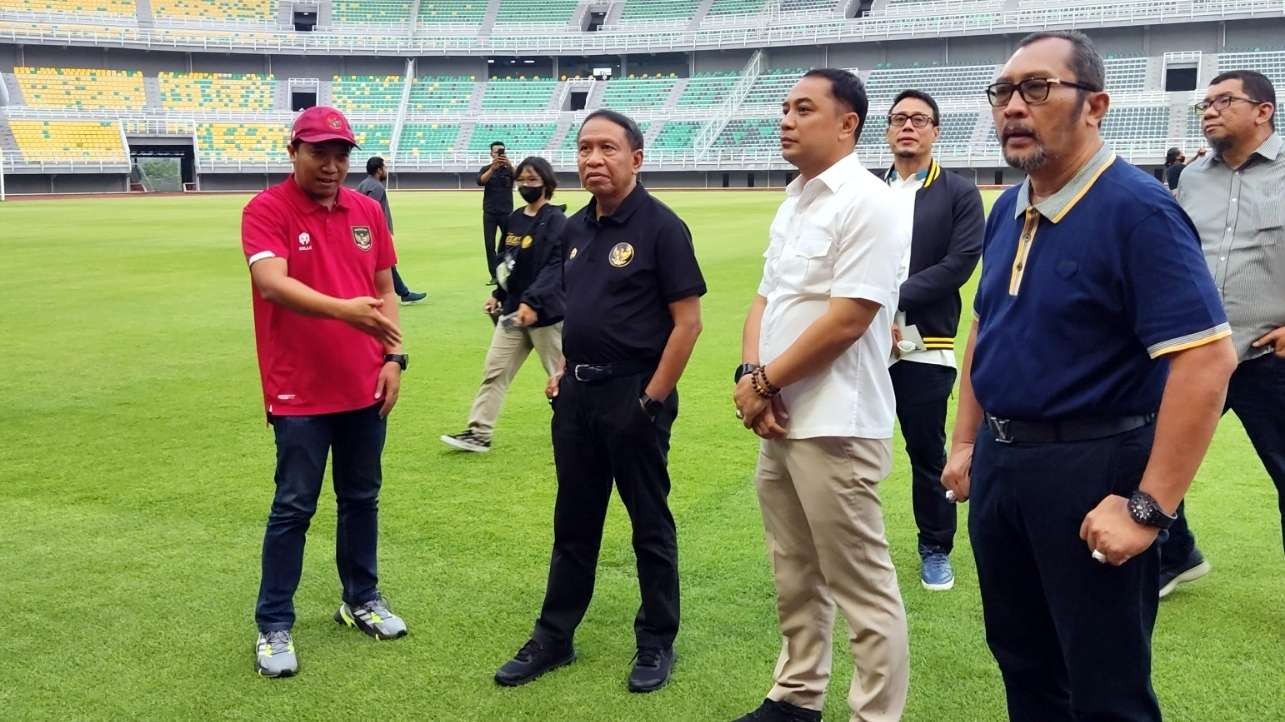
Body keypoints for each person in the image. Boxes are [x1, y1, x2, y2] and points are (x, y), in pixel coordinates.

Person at [941, 31, 1236, 721]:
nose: (1013, 106)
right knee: (1023, 663)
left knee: (1105, 687)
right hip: (1002, 467)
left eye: (1036, 88)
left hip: (1092, 465)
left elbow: (1204, 359)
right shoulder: (1007, 207)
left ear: (1094, 104)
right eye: (1003, 92)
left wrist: (1146, 508)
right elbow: (987, 326)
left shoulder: (1137, 210)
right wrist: (964, 442)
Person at [494, 110, 705, 694]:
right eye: (585, 148)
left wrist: (651, 399)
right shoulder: (574, 229)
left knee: (649, 524)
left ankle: (656, 640)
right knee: (575, 521)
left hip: (635, 393)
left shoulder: (663, 227)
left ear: (636, 158)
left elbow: (687, 324)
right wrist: (562, 368)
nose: (593, 159)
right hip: (578, 398)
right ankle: (554, 636)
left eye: (607, 148)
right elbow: (574, 304)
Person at [731, 68, 911, 722]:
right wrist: (752, 373)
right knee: (794, 574)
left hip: (834, 422)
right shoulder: (797, 198)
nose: (785, 119)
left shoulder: (868, 200)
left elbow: (848, 317)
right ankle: (796, 694)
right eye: (783, 107)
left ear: (846, 123)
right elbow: (765, 298)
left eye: (802, 108)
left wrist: (764, 382)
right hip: (780, 415)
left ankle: (874, 715)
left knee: (861, 588)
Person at [240, 106, 412, 678]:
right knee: (293, 507)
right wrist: (345, 312)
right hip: (300, 394)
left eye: (341, 154)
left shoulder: (366, 209)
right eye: (319, 153)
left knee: (362, 498)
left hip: (365, 385)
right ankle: (273, 624)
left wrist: (393, 356)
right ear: (294, 152)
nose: (332, 165)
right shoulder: (267, 209)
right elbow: (271, 283)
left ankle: (360, 599)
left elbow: (384, 288)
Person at [1161, 69, 1285, 596]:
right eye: (1204, 105)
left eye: (1222, 101)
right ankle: (1175, 553)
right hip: (1198, 352)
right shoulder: (1191, 177)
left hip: (1267, 356)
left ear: (1264, 111)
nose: (1209, 111)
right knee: (1156, 453)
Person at [882, 88, 984, 592]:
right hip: (862, 339)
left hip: (926, 342)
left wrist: (884, 296)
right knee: (851, 445)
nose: (908, 127)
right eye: (899, 119)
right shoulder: (869, 191)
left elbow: (959, 263)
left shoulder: (959, 192)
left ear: (935, 131)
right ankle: (851, 550)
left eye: (919, 120)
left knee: (926, 450)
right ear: (886, 130)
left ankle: (935, 547)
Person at [441, 156, 567, 453]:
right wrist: (498, 294)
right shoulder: (513, 219)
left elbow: (555, 267)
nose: (526, 185)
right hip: (513, 313)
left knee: (562, 377)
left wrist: (532, 301)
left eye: (532, 180)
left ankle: (582, 429)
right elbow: (506, 262)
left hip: (545, 315)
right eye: (521, 180)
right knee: (495, 371)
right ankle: (479, 432)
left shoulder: (556, 221)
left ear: (547, 184)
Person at [356, 156, 427, 304]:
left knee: (386, 265)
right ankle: (402, 293)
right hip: (373, 233)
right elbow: (371, 211)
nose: (386, 170)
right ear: (379, 170)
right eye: (385, 167)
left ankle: (403, 292)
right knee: (383, 263)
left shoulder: (363, 184)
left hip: (364, 233)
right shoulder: (377, 187)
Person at [478, 141, 515, 285]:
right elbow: (480, 181)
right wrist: (492, 169)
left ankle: (509, 272)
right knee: (489, 245)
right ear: (491, 153)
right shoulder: (486, 169)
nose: (499, 154)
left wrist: (509, 164)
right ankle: (494, 275)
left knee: (509, 244)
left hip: (506, 212)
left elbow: (519, 176)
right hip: (490, 213)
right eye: (496, 152)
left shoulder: (509, 170)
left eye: (501, 151)